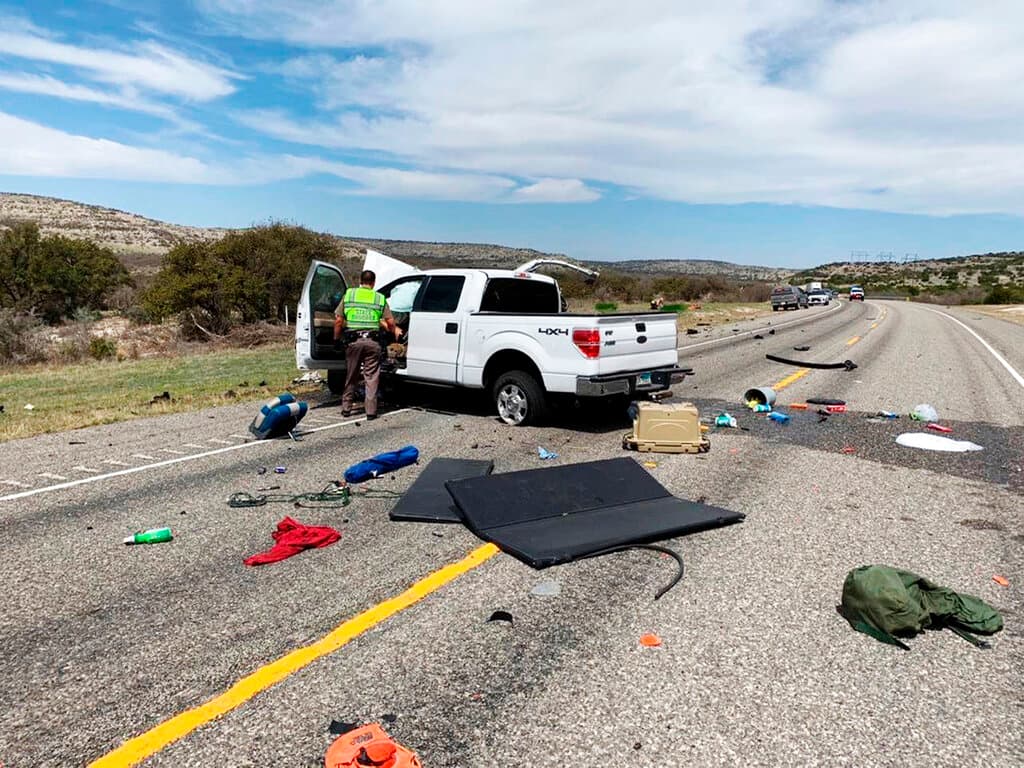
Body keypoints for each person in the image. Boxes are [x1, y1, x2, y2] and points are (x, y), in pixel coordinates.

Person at [333, 270, 403, 419]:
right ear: (373, 283)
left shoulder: (349, 295)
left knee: (351, 375)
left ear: (360, 281)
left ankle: (346, 409)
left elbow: (338, 320)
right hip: (373, 342)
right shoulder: (379, 298)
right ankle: (371, 412)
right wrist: (392, 334)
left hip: (354, 342)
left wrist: (336, 339)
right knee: (371, 377)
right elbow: (390, 322)